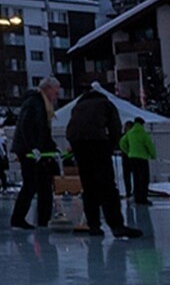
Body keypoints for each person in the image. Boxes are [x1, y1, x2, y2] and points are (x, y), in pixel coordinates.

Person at [64, 87, 141, 239]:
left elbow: (71, 129)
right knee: (107, 186)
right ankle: (116, 225)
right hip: (97, 142)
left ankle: (93, 225)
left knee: (88, 185)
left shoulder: (77, 107)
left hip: (78, 144)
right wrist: (110, 147)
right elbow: (115, 127)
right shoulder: (106, 104)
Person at [10, 77, 62, 230]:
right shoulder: (34, 103)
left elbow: (44, 132)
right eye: (55, 92)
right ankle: (18, 218)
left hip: (37, 150)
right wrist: (32, 147)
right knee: (30, 183)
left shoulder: (43, 106)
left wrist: (53, 148)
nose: (56, 96)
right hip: (27, 151)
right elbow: (26, 126)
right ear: (47, 89)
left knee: (44, 184)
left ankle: (44, 220)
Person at [119, 118, 155, 204]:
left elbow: (122, 143)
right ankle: (143, 198)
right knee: (144, 178)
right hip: (142, 158)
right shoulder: (143, 134)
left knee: (136, 178)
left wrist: (128, 151)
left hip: (132, 158)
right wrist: (153, 155)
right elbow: (150, 145)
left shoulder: (130, 133)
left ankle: (137, 197)